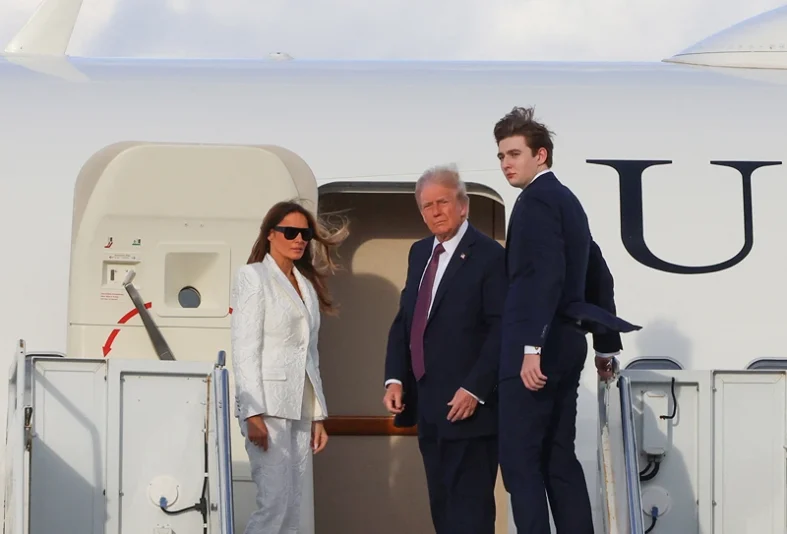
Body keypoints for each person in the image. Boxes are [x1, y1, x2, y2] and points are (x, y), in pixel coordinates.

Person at [493, 107, 641, 533]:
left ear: (541, 156)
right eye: (501, 155)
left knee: (520, 462)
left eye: (514, 154)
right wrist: (606, 345)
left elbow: (542, 277)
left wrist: (530, 347)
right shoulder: (568, 201)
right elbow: (599, 274)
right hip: (570, 343)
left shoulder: (535, 201)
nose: (506, 163)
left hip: (537, 347)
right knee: (558, 457)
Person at [382, 165, 507, 534]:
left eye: (443, 202)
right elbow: (406, 321)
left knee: (470, 513)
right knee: (443, 510)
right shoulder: (420, 253)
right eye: (427, 206)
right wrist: (395, 378)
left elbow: (501, 330)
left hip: (469, 409)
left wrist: (475, 389)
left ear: (463, 206)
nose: (435, 212)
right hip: (429, 406)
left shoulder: (489, 255)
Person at [230, 200, 348, 534]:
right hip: (266, 406)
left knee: (294, 508)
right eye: (290, 232)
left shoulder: (305, 285)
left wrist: (318, 415)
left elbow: (309, 354)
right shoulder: (253, 277)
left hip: (299, 406)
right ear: (271, 234)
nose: (299, 239)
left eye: (305, 233)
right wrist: (251, 412)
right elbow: (245, 347)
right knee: (274, 505)